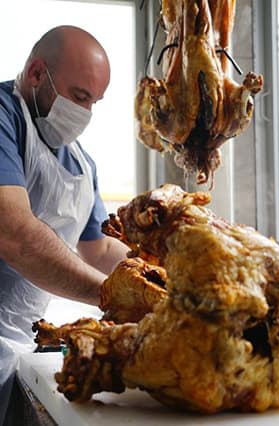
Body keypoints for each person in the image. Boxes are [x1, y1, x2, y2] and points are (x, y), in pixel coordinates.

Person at [0, 25, 129, 424]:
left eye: (95, 102)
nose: (85, 114)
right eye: (79, 97)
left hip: (21, 339)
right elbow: (15, 233)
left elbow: (101, 248)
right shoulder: (5, 118)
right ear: (37, 73)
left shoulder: (81, 164)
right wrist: (116, 298)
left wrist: (165, 279)